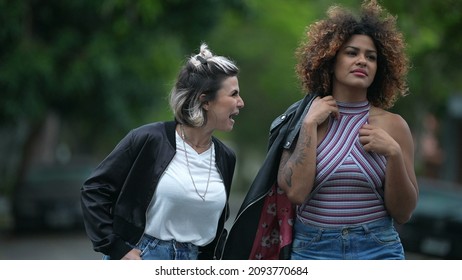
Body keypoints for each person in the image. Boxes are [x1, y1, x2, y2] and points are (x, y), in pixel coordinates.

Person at [222, 0, 417, 260]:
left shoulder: (394, 126)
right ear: (331, 59)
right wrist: (309, 125)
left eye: (371, 57)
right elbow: (297, 193)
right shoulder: (303, 119)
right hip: (314, 249)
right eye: (352, 53)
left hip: (378, 248)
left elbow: (403, 213)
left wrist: (393, 153)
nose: (362, 61)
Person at [81, 43, 244, 260]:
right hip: (144, 255)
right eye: (234, 94)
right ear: (205, 100)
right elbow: (95, 189)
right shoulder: (149, 140)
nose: (241, 103)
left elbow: (216, 226)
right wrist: (118, 250)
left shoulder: (226, 157)